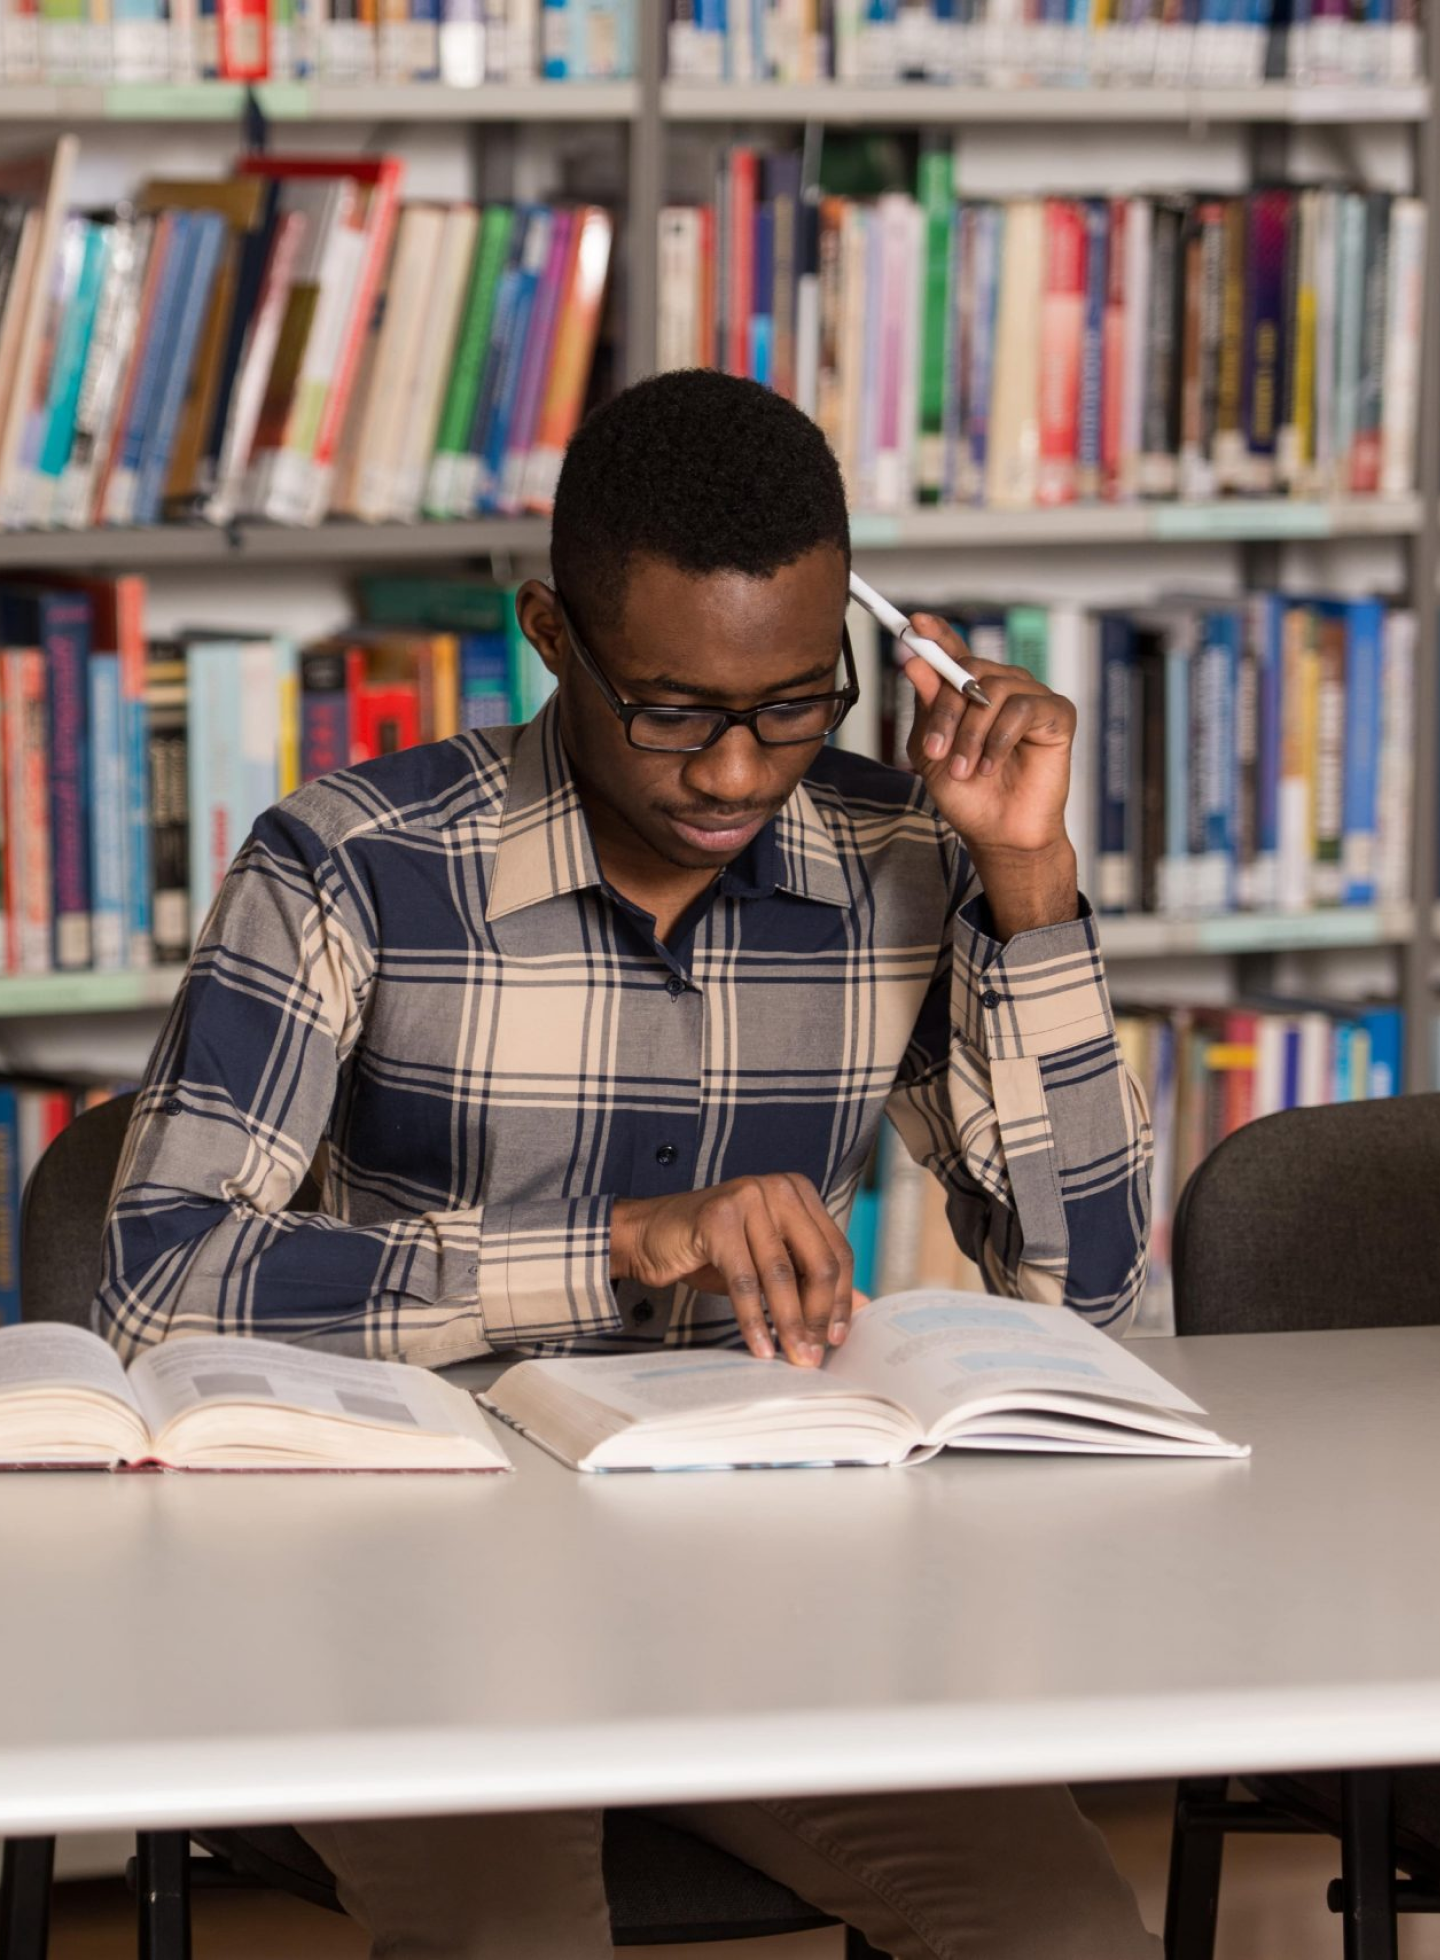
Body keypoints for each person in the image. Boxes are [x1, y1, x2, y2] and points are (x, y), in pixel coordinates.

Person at [96, 369, 1156, 1960]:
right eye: (675, 712)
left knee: (1067, 1933)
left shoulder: (904, 863)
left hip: (773, 1582)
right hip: (407, 1582)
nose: (736, 773)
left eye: (796, 707)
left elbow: (1101, 1293)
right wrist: (614, 1243)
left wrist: (1026, 878)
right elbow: (159, 1279)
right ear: (551, 635)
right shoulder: (351, 865)